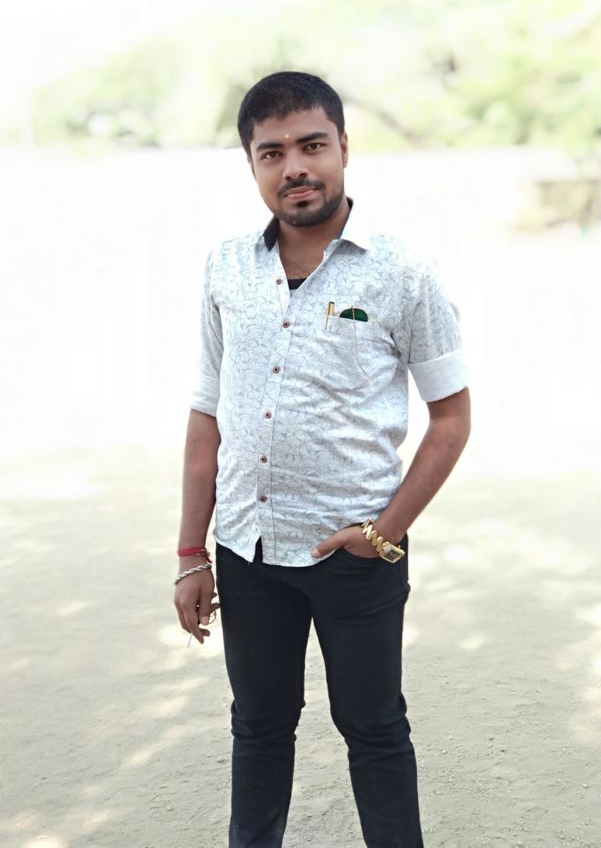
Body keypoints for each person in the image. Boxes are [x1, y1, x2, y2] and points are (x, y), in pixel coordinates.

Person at [174, 71, 471, 848]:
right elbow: (206, 417)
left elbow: (451, 419)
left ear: (343, 147)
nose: (295, 167)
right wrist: (190, 552)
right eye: (272, 152)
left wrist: (383, 532)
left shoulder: (401, 271)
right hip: (247, 549)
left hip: (356, 553)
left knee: (374, 728)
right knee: (258, 725)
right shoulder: (226, 268)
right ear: (251, 163)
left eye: (312, 145)